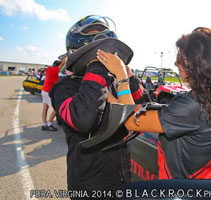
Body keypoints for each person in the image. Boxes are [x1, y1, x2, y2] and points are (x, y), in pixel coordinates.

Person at [97, 27, 211, 179]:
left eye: (180, 58)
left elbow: (131, 120)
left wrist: (121, 76)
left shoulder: (194, 106)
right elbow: (149, 113)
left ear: (196, 63)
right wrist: (111, 98)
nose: (175, 63)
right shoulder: (210, 99)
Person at [49, 15, 146, 197]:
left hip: (122, 179)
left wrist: (128, 79)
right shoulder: (63, 88)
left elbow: (144, 116)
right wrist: (96, 66)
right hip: (89, 186)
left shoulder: (115, 83)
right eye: (98, 48)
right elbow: (84, 120)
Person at [41, 58, 66, 131]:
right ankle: (49, 124)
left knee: (45, 108)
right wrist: (65, 57)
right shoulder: (54, 71)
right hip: (49, 92)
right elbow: (62, 64)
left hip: (44, 91)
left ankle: (44, 124)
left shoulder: (48, 69)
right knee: (56, 108)